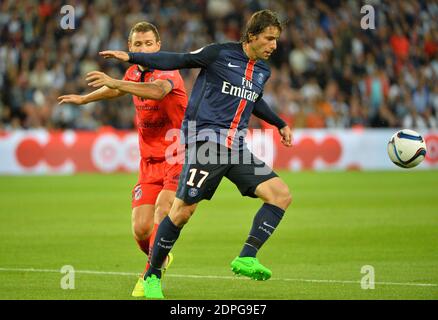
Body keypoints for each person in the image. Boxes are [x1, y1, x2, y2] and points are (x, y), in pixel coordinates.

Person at [100, 9, 293, 299]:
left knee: (280, 195)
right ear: (252, 36)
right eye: (269, 38)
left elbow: (255, 100)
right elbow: (179, 59)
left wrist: (279, 123)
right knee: (181, 212)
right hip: (206, 143)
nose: (274, 45)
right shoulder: (218, 54)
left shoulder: (262, 71)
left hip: (235, 147)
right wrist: (134, 57)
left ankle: (247, 256)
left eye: (276, 40)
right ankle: (152, 275)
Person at [58, 22, 188, 297]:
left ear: (158, 46)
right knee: (140, 229)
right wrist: (84, 99)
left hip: (178, 154)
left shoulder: (168, 71)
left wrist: (115, 81)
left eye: (148, 44)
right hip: (149, 161)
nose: (144, 49)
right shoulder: (132, 72)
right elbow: (118, 90)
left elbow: (156, 91)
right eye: (138, 45)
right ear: (130, 48)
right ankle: (161, 256)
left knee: (162, 212)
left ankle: (150, 275)